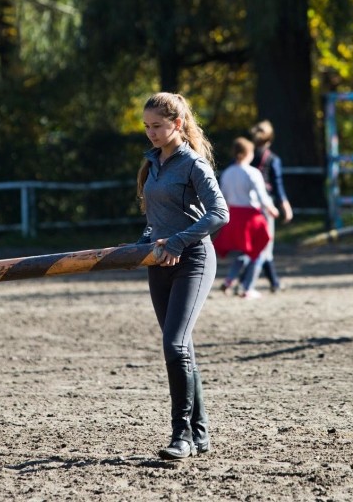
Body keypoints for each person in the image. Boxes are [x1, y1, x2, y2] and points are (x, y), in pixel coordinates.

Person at [135, 92, 229, 460]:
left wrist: (177, 241)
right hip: (159, 263)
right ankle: (200, 433)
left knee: (174, 345)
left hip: (193, 260)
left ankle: (182, 436)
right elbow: (155, 219)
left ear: (177, 123)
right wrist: (141, 245)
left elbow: (219, 213)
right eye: (146, 126)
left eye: (157, 126)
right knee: (182, 347)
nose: (151, 133)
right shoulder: (153, 163)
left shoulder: (193, 164)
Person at [214, 137, 278, 299]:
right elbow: (262, 196)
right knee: (260, 251)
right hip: (251, 217)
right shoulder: (252, 172)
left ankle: (229, 280)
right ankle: (247, 287)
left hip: (234, 215)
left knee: (245, 252)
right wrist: (272, 209)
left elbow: (223, 197)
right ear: (247, 153)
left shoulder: (227, 173)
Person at [249, 120, 293, 292]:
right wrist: (285, 207)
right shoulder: (273, 159)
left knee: (252, 245)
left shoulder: (247, 155)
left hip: (247, 205)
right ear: (270, 139)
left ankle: (273, 282)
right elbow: (278, 184)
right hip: (266, 205)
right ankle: (268, 282)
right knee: (266, 245)